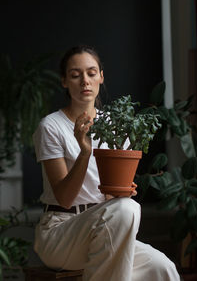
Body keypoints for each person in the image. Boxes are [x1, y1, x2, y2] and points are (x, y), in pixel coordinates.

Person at [33, 45, 180, 281]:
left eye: (91, 73)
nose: (84, 81)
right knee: (127, 208)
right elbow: (64, 197)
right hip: (61, 232)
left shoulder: (116, 125)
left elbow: (113, 199)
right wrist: (84, 152)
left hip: (104, 227)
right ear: (64, 81)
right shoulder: (51, 127)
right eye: (75, 75)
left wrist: (123, 191)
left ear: (101, 76)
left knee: (163, 268)